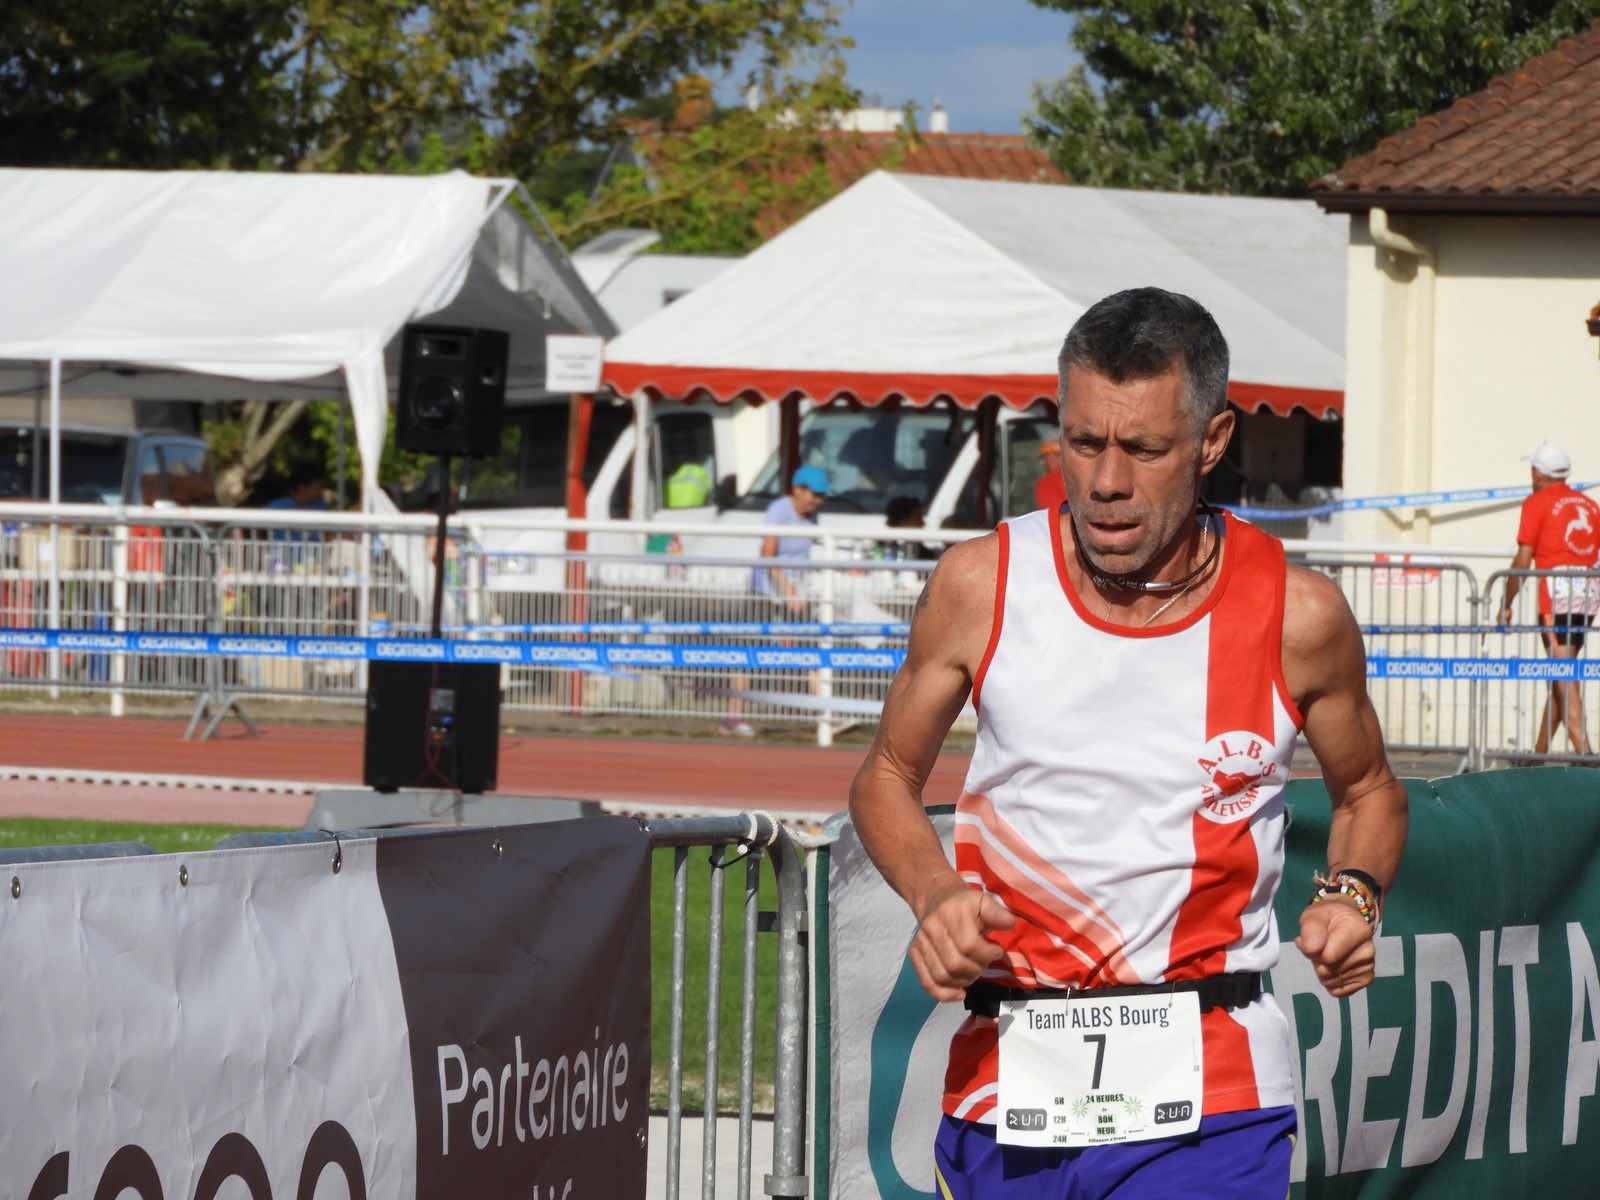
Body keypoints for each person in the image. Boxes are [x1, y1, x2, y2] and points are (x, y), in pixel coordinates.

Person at [849, 288, 1407, 1199]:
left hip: (1215, 1090)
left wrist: (1354, 895)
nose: (1107, 481)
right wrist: (935, 893)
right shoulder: (982, 584)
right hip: (1008, 1079)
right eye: (1082, 442)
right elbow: (885, 775)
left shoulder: (1298, 615)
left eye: (1144, 450)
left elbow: (1370, 791)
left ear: (1212, 442)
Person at [1498, 443, 1600, 760]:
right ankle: (1536, 757)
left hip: (1556, 599)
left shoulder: (1537, 502)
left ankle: (1588, 759)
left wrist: (1505, 602)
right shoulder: (1589, 504)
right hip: (1588, 596)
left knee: (1564, 679)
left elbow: (1523, 559)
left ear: (1538, 473)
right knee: (1560, 675)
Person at [719, 464, 832, 737]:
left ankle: (829, 715)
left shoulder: (812, 517)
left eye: (821, 496)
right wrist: (787, 589)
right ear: (797, 490)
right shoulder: (778, 510)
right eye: (814, 494)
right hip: (765, 591)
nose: (817, 501)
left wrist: (800, 589)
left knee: (810, 648)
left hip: (795, 595)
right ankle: (733, 716)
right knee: (747, 652)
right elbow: (768, 554)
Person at [1033, 439, 1068, 512]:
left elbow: (1052, 512)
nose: (1050, 460)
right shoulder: (1081, 476)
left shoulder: (1045, 483)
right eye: (1046, 457)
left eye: (1056, 455)